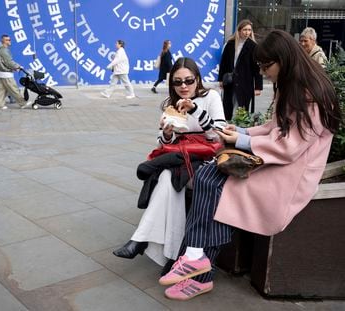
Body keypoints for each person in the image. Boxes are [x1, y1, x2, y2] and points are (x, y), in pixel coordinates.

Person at [158, 29, 341, 301]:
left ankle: (198, 264)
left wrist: (242, 141)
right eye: (261, 66)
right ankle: (196, 259)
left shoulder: (310, 94)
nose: (264, 72)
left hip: (292, 171)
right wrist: (241, 133)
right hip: (278, 159)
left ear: (284, 59)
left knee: (219, 183)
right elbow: (274, 128)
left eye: (267, 66)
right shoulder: (294, 85)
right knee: (209, 173)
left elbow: (290, 147)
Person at [113, 57, 226, 267]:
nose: (183, 86)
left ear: (198, 79)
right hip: (180, 158)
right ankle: (169, 254)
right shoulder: (170, 104)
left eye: (189, 80)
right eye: (177, 82)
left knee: (169, 176)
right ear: (171, 83)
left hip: (205, 159)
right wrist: (166, 133)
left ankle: (142, 241)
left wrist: (194, 110)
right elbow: (161, 142)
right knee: (169, 177)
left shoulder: (211, 97)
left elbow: (218, 135)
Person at [218, 19, 263, 121]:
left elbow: (257, 68)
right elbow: (223, 63)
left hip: (245, 82)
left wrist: (258, 87)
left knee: (242, 106)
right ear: (239, 30)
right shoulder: (230, 44)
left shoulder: (253, 46)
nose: (247, 32)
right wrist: (221, 79)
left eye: (249, 30)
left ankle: (239, 128)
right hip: (230, 81)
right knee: (228, 105)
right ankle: (227, 125)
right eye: (245, 30)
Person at [0, 34, 31, 110]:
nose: (10, 41)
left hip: (1, 73)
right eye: (8, 40)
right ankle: (23, 103)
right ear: (3, 41)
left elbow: (1, 62)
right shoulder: (4, 50)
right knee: (14, 89)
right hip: (6, 74)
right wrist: (18, 66)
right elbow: (9, 62)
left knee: (1, 90)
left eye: (10, 39)